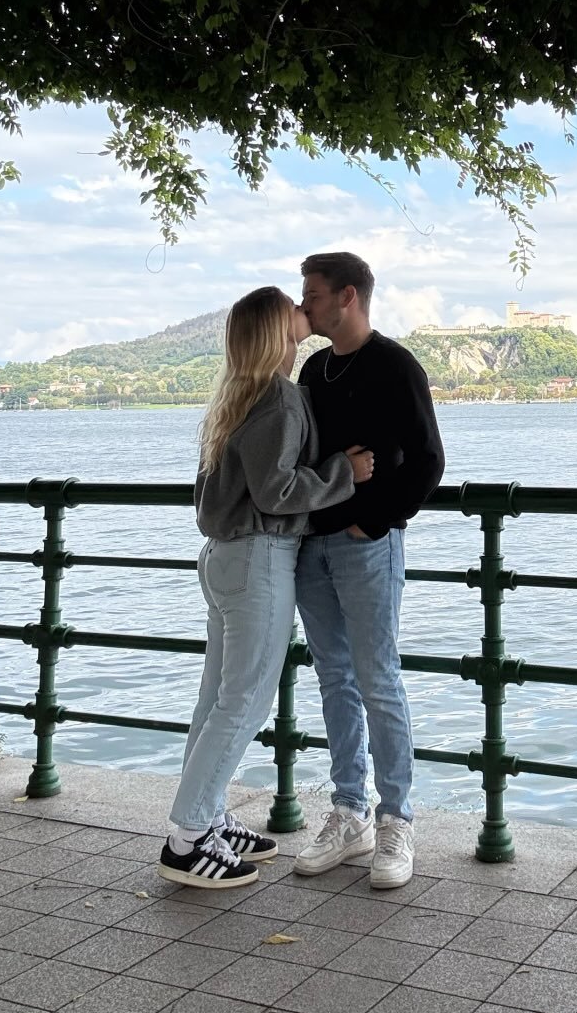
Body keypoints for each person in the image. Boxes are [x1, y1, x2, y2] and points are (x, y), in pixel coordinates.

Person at [158, 285, 374, 889]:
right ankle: (188, 836)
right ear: (279, 330)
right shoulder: (279, 396)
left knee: (217, 698)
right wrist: (345, 472)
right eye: (293, 308)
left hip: (223, 557)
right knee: (245, 700)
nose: (304, 311)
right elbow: (277, 491)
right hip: (260, 557)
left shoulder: (237, 394)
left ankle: (207, 818)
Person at [291, 251, 445, 889]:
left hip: (365, 546)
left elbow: (429, 461)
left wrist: (374, 520)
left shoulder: (395, 365)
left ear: (348, 296)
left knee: (378, 680)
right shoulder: (312, 370)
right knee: (334, 678)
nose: (304, 305)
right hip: (310, 546)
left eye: (313, 294)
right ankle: (349, 811)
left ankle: (396, 819)